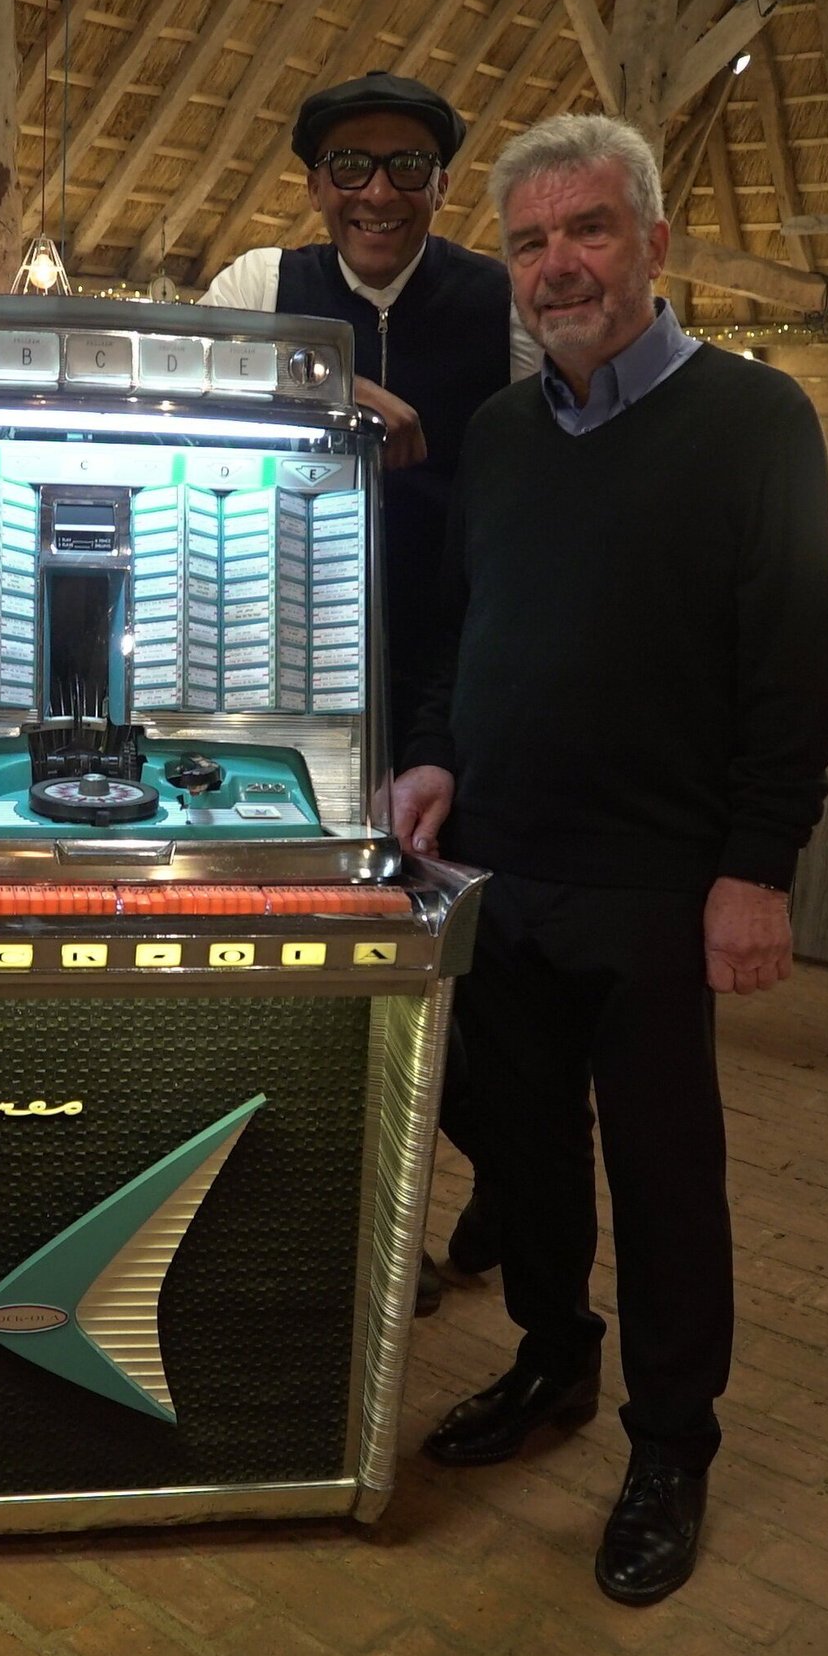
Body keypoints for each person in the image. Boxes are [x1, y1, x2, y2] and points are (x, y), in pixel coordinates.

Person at [381, 113, 828, 1606]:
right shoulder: (502, 434)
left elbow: (794, 664)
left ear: (652, 239)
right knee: (523, 1147)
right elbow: (459, 627)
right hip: (500, 861)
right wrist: (433, 752)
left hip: (656, 876)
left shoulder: (753, 418)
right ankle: (552, 1357)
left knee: (663, 1173)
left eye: (587, 229)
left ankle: (671, 1441)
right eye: (529, 241)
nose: (558, 264)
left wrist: (756, 868)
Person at [200, 71, 535, 1317]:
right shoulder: (258, 285)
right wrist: (331, 387)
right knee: (316, 972)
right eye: (349, 166)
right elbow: (175, 384)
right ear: (313, 184)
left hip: (456, 680)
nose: (376, 192)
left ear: (443, 185)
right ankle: (361, 1230)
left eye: (405, 167)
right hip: (279, 680)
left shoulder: (503, 308)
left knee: (455, 970)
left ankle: (495, 1179)